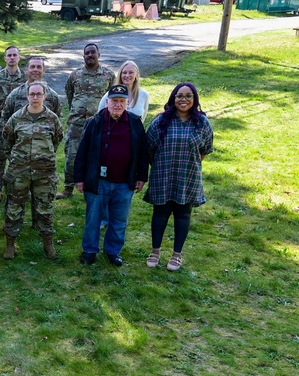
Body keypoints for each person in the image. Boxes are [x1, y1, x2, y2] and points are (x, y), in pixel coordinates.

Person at [75, 85, 149, 266]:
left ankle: (113, 251)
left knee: (119, 219)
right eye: (114, 100)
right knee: (93, 218)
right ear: (107, 102)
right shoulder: (95, 122)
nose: (117, 105)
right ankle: (89, 251)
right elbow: (82, 151)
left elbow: (142, 152)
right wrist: (79, 178)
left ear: (128, 103)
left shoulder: (134, 123)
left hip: (124, 182)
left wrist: (141, 177)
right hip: (98, 181)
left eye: (121, 101)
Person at [144, 82, 213, 271]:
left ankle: (176, 255)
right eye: (179, 96)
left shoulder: (202, 123)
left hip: (188, 175)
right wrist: (159, 166)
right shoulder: (160, 121)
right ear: (173, 98)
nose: (184, 99)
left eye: (188, 96)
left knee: (183, 215)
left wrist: (189, 164)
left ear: (194, 99)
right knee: (160, 214)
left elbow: (205, 151)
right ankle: (155, 251)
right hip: (163, 174)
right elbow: (149, 148)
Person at [2, 82, 64, 260]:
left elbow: (56, 141)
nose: (35, 97)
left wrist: (42, 159)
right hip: (19, 172)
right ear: (27, 96)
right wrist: (17, 160)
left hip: (44, 173)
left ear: (45, 96)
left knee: (44, 209)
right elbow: (8, 142)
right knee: (14, 208)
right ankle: (10, 245)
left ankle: (48, 244)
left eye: (39, 94)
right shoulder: (16, 118)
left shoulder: (52, 119)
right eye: (32, 94)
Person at [60, 43, 115, 200]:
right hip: (76, 123)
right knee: (71, 156)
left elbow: (111, 98)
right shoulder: (75, 75)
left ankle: (92, 189)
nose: (90, 55)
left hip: (99, 124)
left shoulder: (108, 75)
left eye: (93, 52)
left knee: (97, 157)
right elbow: (69, 94)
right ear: (83, 56)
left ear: (99, 54)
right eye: (87, 53)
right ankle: (68, 188)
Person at [0, 45, 27, 207]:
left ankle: (18, 191)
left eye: (15, 55)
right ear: (5, 58)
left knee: (20, 158)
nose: (12, 58)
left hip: (21, 126)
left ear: (19, 58)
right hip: (0, 126)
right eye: (9, 55)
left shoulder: (26, 79)